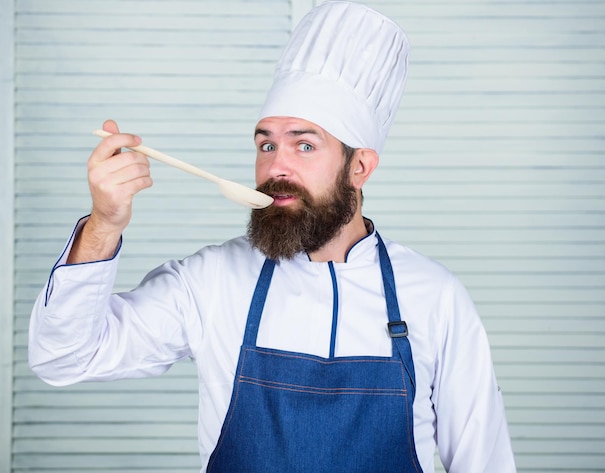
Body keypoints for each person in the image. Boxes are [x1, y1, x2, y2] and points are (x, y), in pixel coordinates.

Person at [29, 1, 517, 472]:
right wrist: (103, 225)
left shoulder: (435, 297)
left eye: (304, 144)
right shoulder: (212, 282)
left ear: (360, 167)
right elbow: (64, 356)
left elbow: (485, 462)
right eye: (266, 144)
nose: (276, 166)